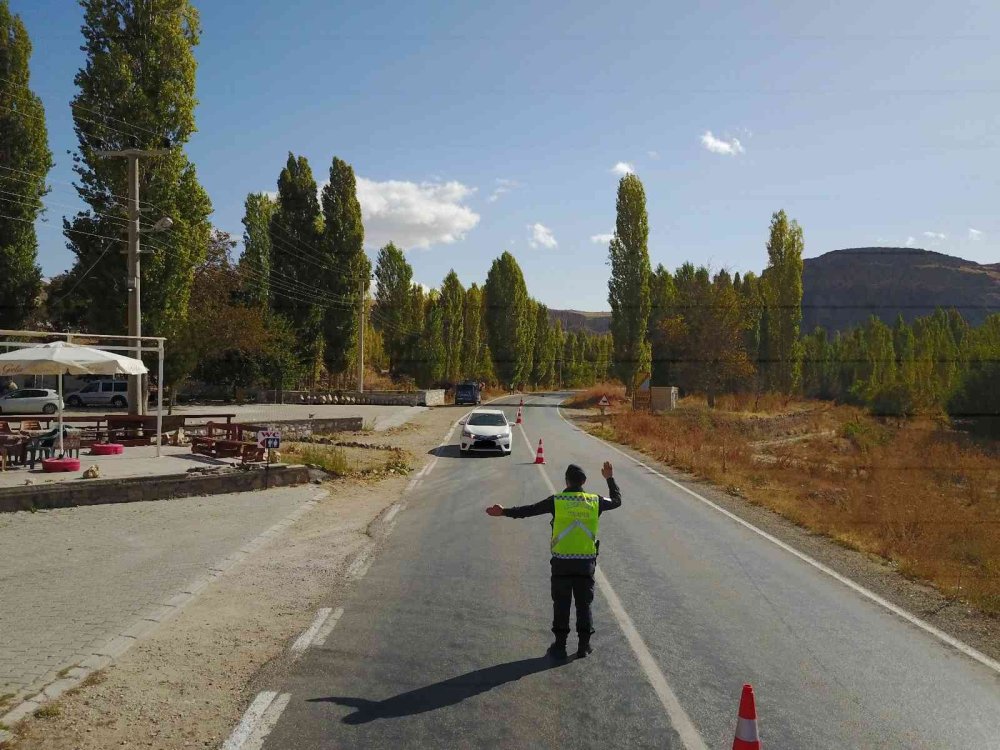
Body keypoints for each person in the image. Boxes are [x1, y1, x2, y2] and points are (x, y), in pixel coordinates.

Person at [486, 461, 621, 659]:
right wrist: (609, 478)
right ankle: (584, 646)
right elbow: (617, 500)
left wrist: (504, 511)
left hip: (562, 563)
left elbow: (529, 510)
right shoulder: (595, 501)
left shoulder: (556, 501)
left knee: (561, 603)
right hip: (586, 563)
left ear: (566, 482)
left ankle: (559, 645)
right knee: (584, 605)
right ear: (583, 481)